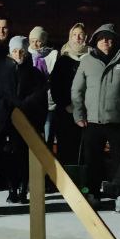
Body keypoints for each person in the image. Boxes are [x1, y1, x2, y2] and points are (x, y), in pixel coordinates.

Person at [72, 23, 120, 213]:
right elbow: (77, 90)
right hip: (92, 121)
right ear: (95, 41)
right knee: (92, 161)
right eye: (101, 38)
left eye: (109, 38)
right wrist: (79, 114)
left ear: (115, 41)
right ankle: (92, 194)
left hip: (119, 121)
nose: (105, 41)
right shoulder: (87, 61)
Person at [0, 35, 49, 203]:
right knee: (9, 157)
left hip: (28, 121)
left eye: (21, 51)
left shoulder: (35, 73)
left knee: (25, 158)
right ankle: (12, 189)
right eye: (15, 51)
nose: (18, 54)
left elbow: (40, 97)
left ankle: (23, 190)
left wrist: (24, 105)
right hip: (8, 122)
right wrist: (9, 106)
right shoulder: (3, 72)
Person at [47, 23, 87, 168]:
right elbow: (55, 85)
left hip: (86, 112)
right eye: (74, 34)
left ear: (85, 37)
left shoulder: (91, 58)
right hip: (65, 113)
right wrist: (65, 104)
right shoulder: (63, 60)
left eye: (80, 34)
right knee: (66, 149)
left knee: (83, 151)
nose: (77, 37)